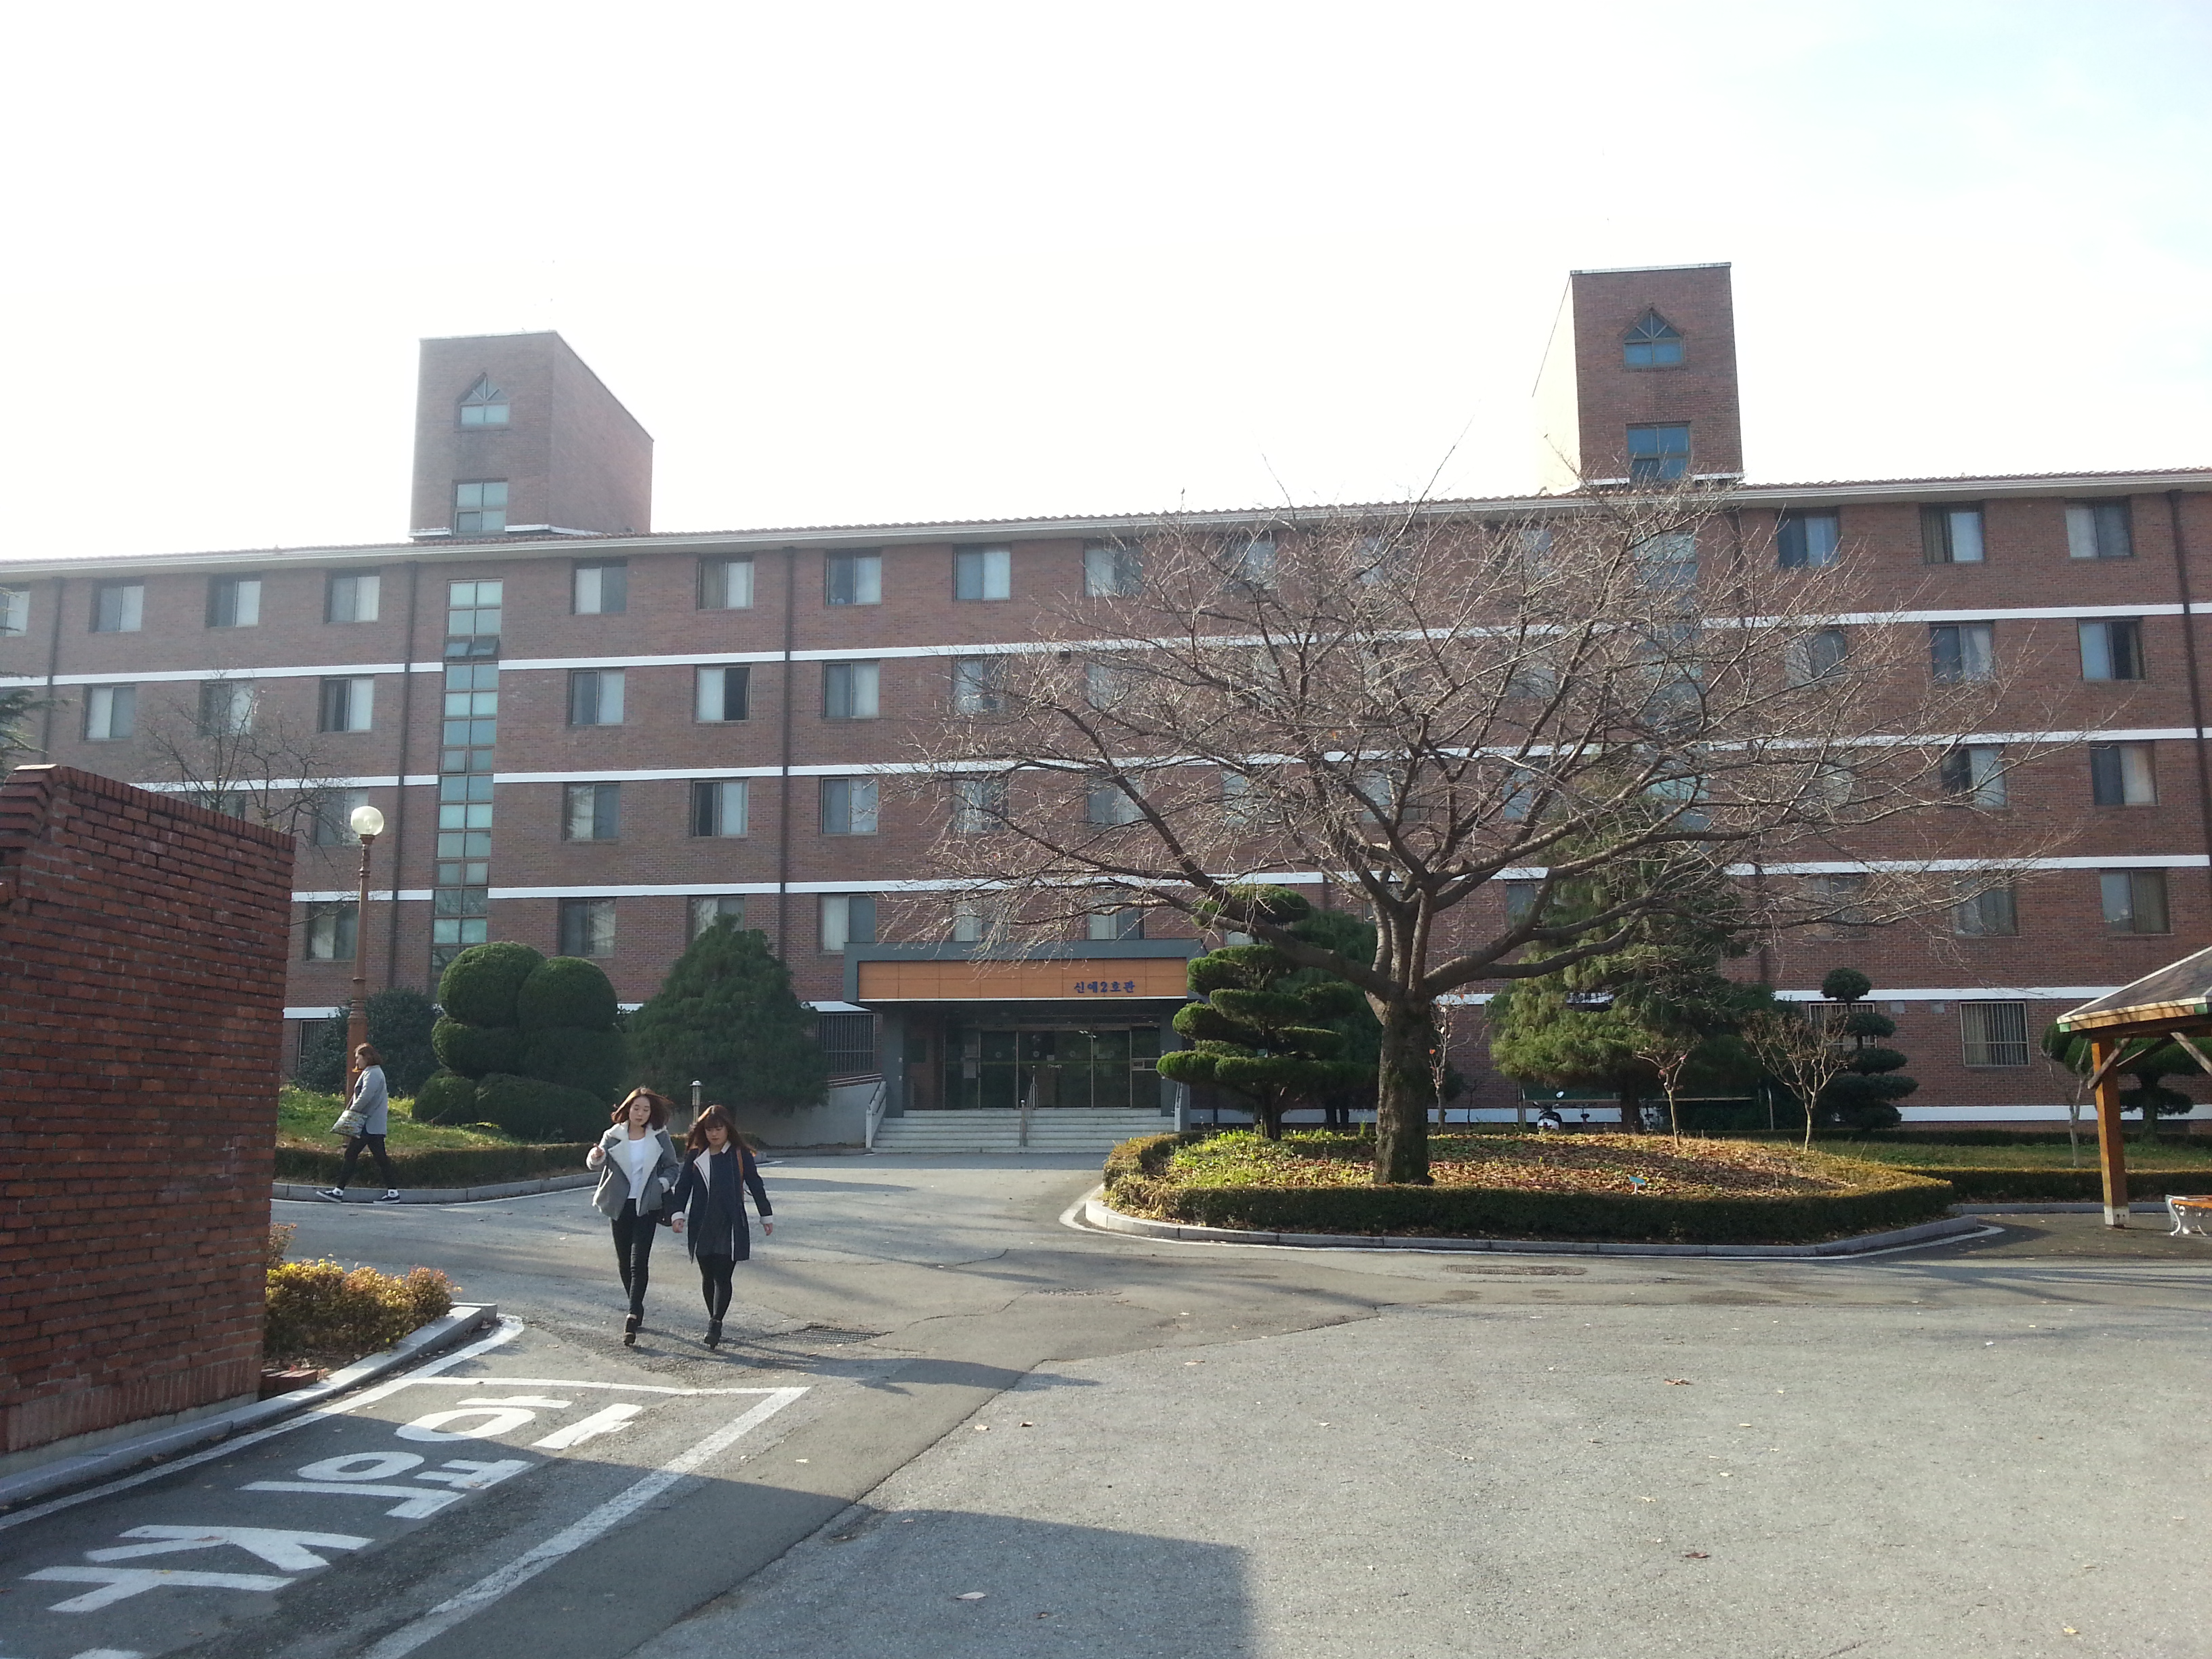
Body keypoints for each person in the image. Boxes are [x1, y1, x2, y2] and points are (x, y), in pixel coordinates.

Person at [668, 1104, 773, 1349]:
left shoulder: (739, 1153)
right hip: (702, 1223)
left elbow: (755, 1184)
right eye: (709, 1129)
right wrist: (677, 1213)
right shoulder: (696, 1155)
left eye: (719, 1128)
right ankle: (713, 1318)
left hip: (730, 1223)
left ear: (728, 1129)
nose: (714, 1134)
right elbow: (683, 1186)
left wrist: (766, 1215)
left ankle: (716, 1323)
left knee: (723, 1276)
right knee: (708, 1275)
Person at [586, 1088, 682, 1346]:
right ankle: (636, 1305)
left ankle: (632, 1314)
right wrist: (596, 1156)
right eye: (636, 1108)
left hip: (647, 1205)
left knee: (639, 1262)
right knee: (624, 1261)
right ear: (628, 1109)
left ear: (652, 1113)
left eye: (646, 1109)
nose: (640, 1113)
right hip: (619, 1204)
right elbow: (596, 1162)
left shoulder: (659, 1136)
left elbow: (673, 1167)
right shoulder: (613, 1135)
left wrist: (661, 1186)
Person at [317, 1044, 400, 1204]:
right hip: (372, 1125)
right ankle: (393, 1192)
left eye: (358, 1058)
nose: (356, 1061)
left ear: (366, 1057)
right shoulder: (373, 1072)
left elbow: (365, 1096)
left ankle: (338, 1191)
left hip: (367, 1124)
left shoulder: (373, 1073)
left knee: (351, 1154)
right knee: (380, 1159)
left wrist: (351, 1112)